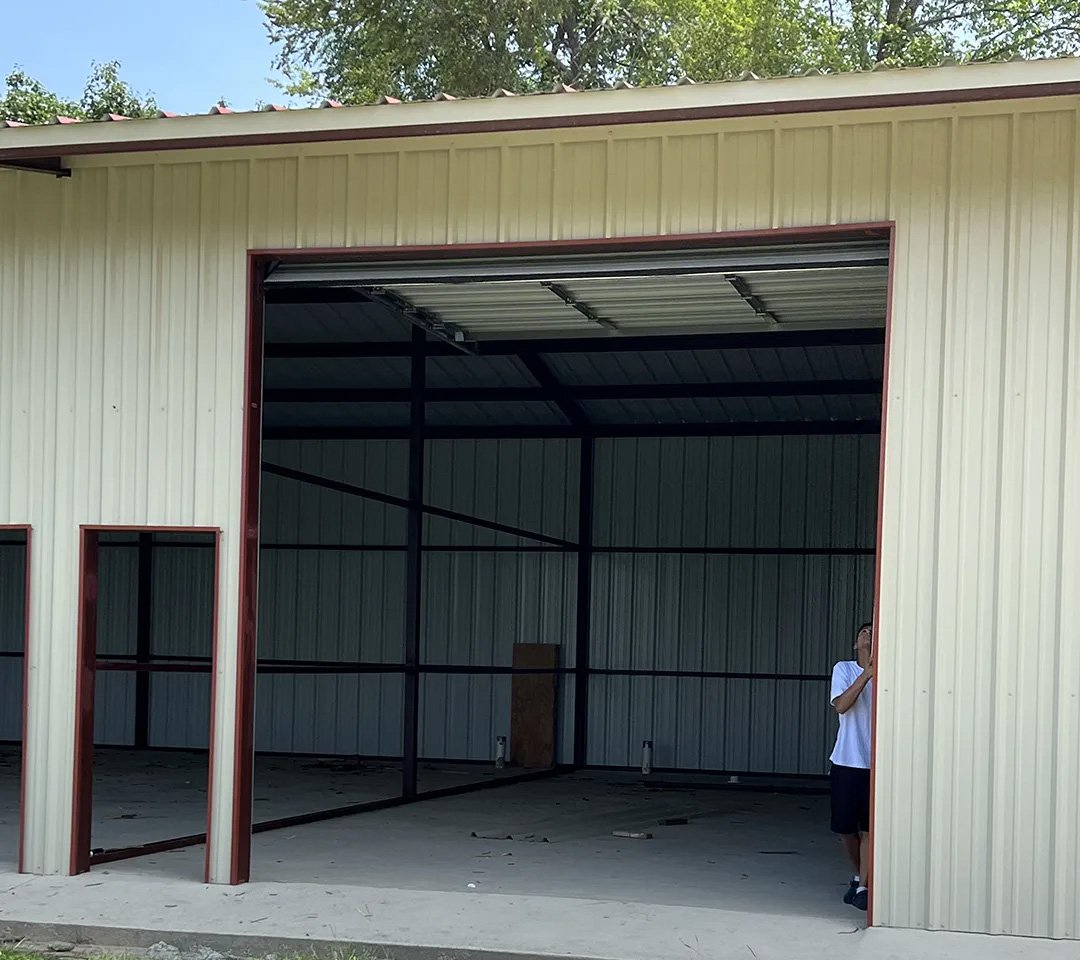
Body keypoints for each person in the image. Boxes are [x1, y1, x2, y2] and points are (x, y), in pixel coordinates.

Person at [829, 621, 873, 912]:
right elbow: (841, 706)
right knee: (846, 828)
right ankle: (859, 874)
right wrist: (867, 674)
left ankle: (864, 886)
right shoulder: (843, 669)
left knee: (870, 829)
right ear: (856, 644)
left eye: (873, 630)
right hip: (847, 760)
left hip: (875, 764)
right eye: (862, 632)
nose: (867, 634)